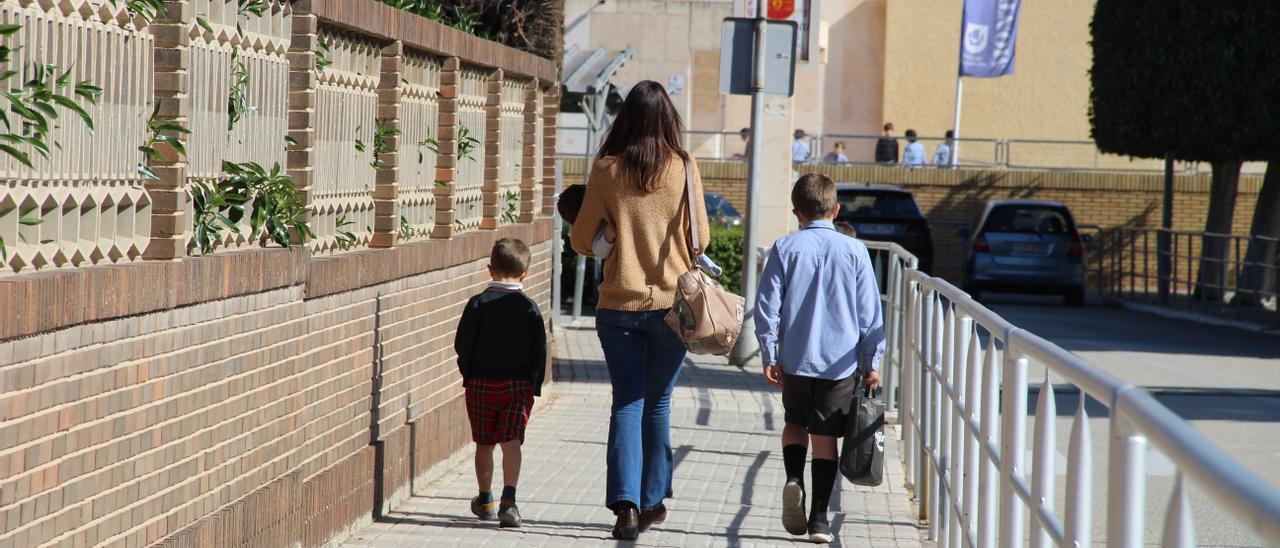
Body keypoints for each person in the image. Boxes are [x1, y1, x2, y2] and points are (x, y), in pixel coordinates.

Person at [569, 80, 711, 541]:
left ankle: (625, 507)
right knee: (659, 402)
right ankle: (652, 501)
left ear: (625, 117)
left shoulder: (607, 169)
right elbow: (702, 240)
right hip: (671, 306)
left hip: (618, 304)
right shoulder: (684, 168)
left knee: (626, 402)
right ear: (668, 119)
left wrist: (615, 232)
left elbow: (581, 240)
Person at [754, 173, 885, 544]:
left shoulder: (784, 248)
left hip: (795, 359)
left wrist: (769, 352)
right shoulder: (856, 251)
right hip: (839, 364)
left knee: (795, 423)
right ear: (837, 209)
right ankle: (820, 520)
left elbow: (767, 308)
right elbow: (869, 315)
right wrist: (872, 361)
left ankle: (794, 478)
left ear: (797, 213)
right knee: (825, 437)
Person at [454, 238, 548, 529]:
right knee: (511, 442)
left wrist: (468, 374)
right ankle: (509, 500)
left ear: (489, 269)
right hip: (517, 387)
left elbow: (463, 344)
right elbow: (539, 350)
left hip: (481, 384)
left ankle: (485, 499)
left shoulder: (477, 304)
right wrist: (534, 384)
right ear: (525, 275)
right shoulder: (530, 308)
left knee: (484, 443)